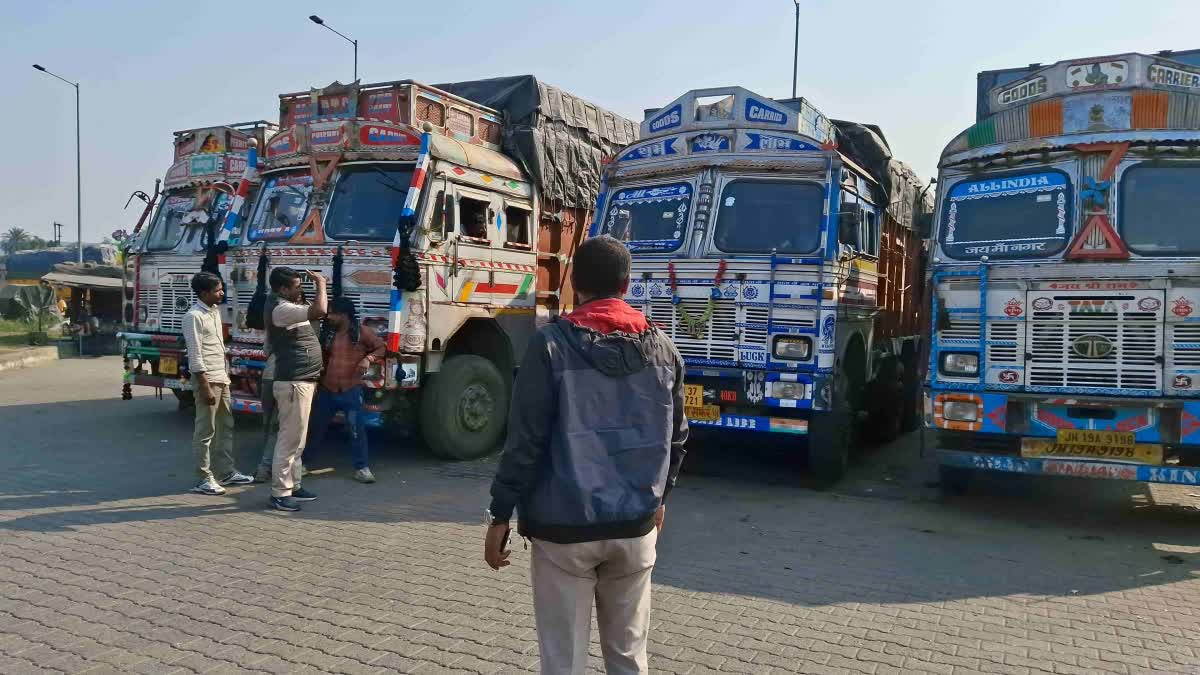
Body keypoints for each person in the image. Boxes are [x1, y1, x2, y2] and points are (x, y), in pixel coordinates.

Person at [484, 235, 688, 674]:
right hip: (636, 529)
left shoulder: (550, 346)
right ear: (627, 284)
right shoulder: (665, 350)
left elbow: (525, 442)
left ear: (573, 283)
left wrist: (500, 514)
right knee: (630, 658)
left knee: (563, 662)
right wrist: (661, 497)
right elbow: (678, 439)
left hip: (564, 533)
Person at [181, 272, 253, 495]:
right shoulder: (193, 316)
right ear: (204, 293)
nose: (222, 293)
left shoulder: (213, 312)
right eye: (218, 290)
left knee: (226, 426)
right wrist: (204, 386)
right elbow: (195, 355)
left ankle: (226, 472)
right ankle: (204, 478)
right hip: (208, 379)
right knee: (206, 430)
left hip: (221, 377)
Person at [304, 297, 385, 484]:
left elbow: (381, 347)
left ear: (344, 315)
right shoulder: (328, 334)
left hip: (351, 389)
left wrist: (368, 359)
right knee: (315, 429)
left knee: (356, 430)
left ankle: (362, 468)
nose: (329, 317)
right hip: (327, 389)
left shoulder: (361, 332)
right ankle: (303, 465)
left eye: (333, 313)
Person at [266, 266, 327, 511]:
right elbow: (320, 310)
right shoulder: (281, 309)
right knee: (289, 439)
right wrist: (321, 283)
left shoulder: (284, 306)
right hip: (293, 382)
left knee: (298, 439)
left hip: (301, 381)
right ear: (282, 289)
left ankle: (294, 485)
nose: (299, 289)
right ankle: (280, 493)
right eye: (296, 286)